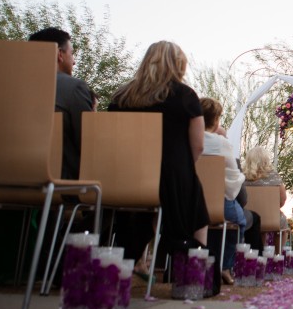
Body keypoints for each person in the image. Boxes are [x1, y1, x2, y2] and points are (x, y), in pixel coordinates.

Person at [108, 41, 210, 277]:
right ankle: (191, 272)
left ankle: (132, 259)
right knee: (197, 207)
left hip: (121, 178)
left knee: (147, 206)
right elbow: (198, 145)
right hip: (168, 178)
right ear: (178, 65)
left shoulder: (121, 97)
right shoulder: (185, 96)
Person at [199, 97, 261, 284]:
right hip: (219, 202)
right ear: (216, 120)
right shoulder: (221, 143)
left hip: (189, 202)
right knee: (239, 220)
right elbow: (234, 179)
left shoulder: (188, 139)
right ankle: (226, 266)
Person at [28, 27, 94, 181]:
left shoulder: (9, 88)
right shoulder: (73, 87)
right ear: (59, 54)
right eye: (71, 54)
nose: (74, 61)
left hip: (3, 186)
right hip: (59, 184)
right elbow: (87, 145)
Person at [243, 146, 290, 247]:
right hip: (271, 218)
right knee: (283, 224)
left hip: (248, 217)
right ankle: (277, 256)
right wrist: (271, 209)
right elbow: (283, 199)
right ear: (266, 160)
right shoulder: (274, 176)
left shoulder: (241, 177)